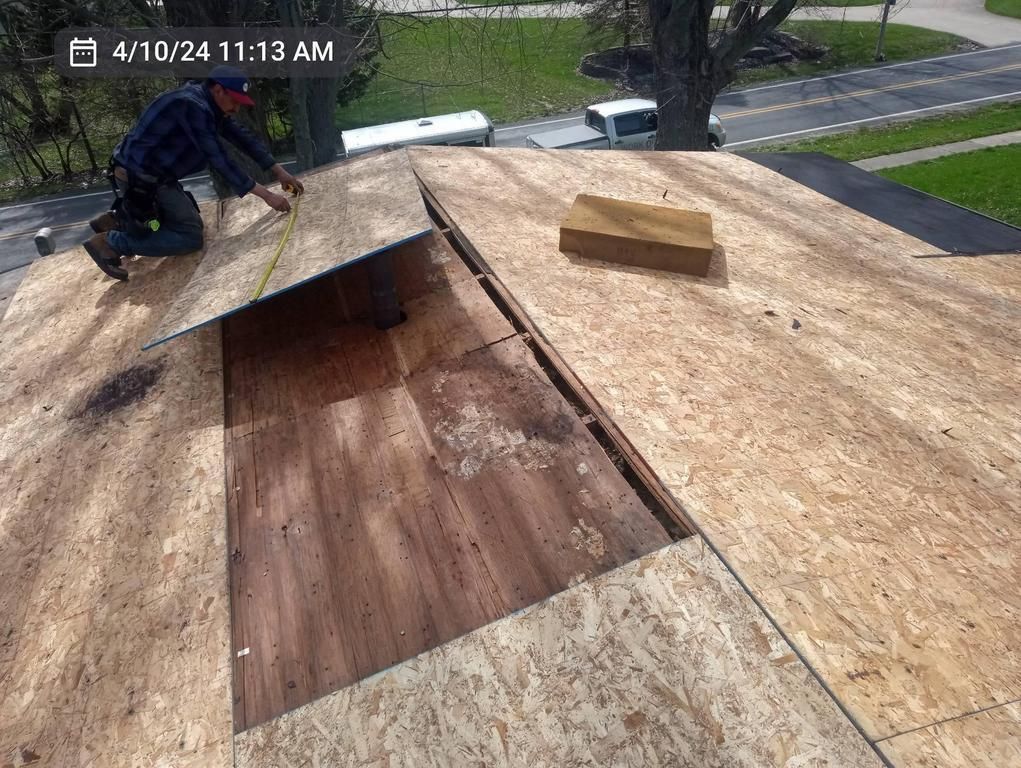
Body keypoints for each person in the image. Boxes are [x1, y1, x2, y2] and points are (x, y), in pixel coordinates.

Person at [83, 65, 304, 280]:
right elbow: (218, 158)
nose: (236, 109)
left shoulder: (210, 107)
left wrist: (280, 172)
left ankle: (117, 221)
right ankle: (111, 242)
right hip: (141, 179)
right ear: (218, 90)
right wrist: (268, 196)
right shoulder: (191, 106)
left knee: (188, 226)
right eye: (235, 101)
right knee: (189, 238)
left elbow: (242, 137)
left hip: (157, 176)